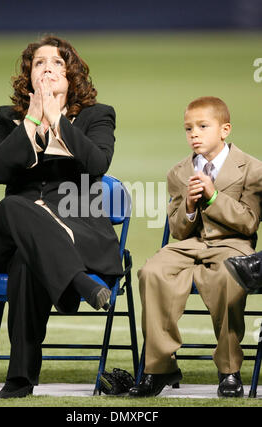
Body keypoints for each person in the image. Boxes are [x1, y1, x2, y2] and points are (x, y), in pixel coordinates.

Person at [0, 35, 123, 399]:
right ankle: (82, 284)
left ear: (72, 75)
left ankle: (20, 379)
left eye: (57, 63)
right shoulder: (6, 118)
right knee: (13, 207)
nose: (48, 69)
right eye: (39, 63)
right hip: (9, 233)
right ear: (29, 74)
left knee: (27, 259)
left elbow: (97, 163)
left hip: (76, 227)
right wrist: (31, 120)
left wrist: (58, 118)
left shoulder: (96, 116)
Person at [129, 96, 262, 398]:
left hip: (233, 245)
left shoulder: (252, 168)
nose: (195, 134)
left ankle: (229, 370)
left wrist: (214, 198)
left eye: (203, 126)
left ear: (225, 130)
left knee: (228, 277)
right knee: (152, 271)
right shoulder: (179, 172)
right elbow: (177, 231)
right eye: (188, 129)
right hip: (190, 246)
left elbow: (249, 222)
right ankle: (159, 367)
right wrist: (188, 206)